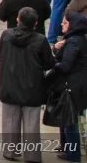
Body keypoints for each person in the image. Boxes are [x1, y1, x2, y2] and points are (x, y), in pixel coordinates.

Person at [0, 7, 55, 163]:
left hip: (9, 85)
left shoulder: (7, 35)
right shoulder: (40, 40)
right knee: (31, 125)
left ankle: (10, 152)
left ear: (18, 20)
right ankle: (32, 156)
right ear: (35, 23)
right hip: (32, 87)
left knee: (10, 120)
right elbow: (49, 62)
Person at [49, 10, 87, 162]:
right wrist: (57, 48)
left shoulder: (74, 42)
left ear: (73, 25)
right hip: (76, 84)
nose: (61, 24)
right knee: (67, 120)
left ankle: (73, 155)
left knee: (70, 122)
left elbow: (65, 65)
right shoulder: (74, 39)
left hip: (73, 86)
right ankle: (67, 148)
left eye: (65, 22)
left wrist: (52, 65)